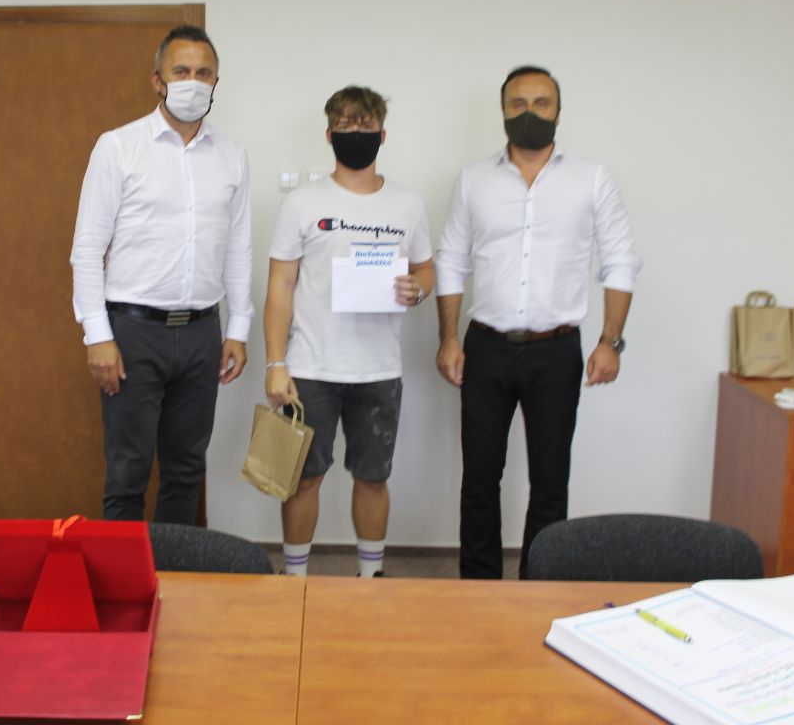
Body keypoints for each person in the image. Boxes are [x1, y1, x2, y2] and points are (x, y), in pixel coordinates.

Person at [434, 66, 642, 579]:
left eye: (541, 103)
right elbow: (452, 260)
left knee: (550, 482)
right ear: (503, 112)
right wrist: (448, 338)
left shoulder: (592, 178)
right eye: (518, 104)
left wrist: (610, 341)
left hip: (557, 351)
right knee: (479, 480)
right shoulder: (474, 180)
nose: (530, 113)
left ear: (559, 112)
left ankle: (539, 587)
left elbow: (620, 260)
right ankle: (477, 589)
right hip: (485, 348)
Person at [70, 25, 253, 524]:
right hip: (133, 334)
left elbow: (238, 247)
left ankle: (176, 570)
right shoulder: (118, 147)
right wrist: (97, 336)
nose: (193, 82)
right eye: (181, 71)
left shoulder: (232, 156)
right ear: (157, 80)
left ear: (216, 82)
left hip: (201, 334)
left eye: (203, 73)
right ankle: (122, 573)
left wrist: (238, 328)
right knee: (127, 472)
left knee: (186, 470)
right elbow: (87, 249)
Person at [264, 86, 433, 578]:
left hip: (379, 369)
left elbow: (426, 270)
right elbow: (280, 287)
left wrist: (418, 290)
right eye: (345, 125)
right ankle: (296, 579)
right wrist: (275, 363)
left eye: (365, 125)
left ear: (382, 134)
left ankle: (371, 578)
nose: (355, 132)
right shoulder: (302, 203)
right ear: (329, 134)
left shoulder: (408, 204)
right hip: (310, 368)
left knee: (373, 478)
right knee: (303, 479)